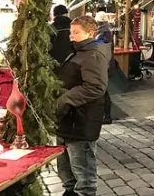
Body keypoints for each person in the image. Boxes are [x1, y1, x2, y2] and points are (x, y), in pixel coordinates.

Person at [56, 16, 111, 196]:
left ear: (90, 33)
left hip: (82, 121)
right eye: (71, 32)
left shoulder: (93, 55)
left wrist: (65, 99)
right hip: (68, 121)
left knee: (83, 174)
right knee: (66, 170)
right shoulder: (78, 51)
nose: (71, 36)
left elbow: (95, 87)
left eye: (76, 32)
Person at [95, 11, 114, 125]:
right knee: (102, 90)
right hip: (103, 64)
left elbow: (103, 48)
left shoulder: (104, 32)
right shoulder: (105, 31)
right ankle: (105, 115)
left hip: (101, 65)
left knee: (102, 91)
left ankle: (106, 115)